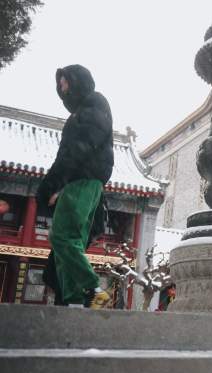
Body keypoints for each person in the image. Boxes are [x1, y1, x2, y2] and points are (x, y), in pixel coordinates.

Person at [36, 65, 113, 309]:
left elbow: (74, 151)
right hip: (86, 183)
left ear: (77, 81)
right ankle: (74, 300)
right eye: (59, 84)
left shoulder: (90, 108)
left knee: (62, 236)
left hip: (81, 180)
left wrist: (52, 184)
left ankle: (92, 288)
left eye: (65, 82)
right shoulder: (91, 109)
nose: (62, 87)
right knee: (70, 243)